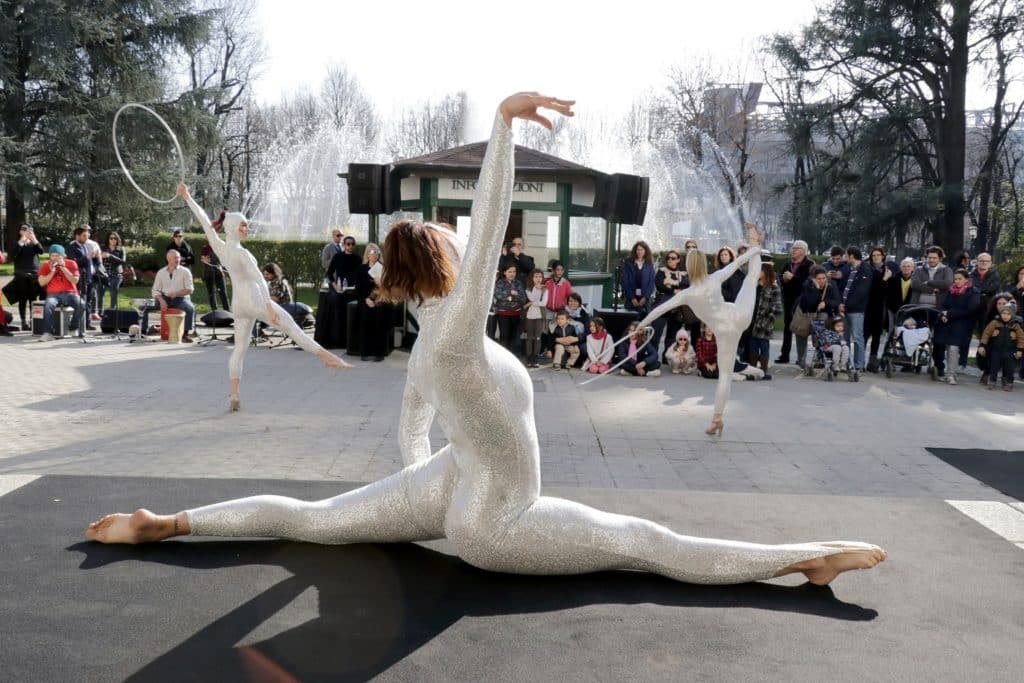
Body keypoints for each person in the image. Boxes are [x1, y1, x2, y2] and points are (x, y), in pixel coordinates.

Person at [86, 93, 884, 590]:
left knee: (315, 517)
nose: (470, 251)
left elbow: (410, 423)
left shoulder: (428, 338)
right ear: (445, 262)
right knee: (645, 541)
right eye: (451, 242)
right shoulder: (459, 329)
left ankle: (170, 522)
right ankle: (798, 556)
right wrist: (501, 126)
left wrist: (405, 498)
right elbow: (495, 215)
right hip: (498, 517)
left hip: (449, 484)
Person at [175, 185, 349, 410]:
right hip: (255, 300)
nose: (247, 228)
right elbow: (259, 278)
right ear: (234, 228)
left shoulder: (221, 247)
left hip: (239, 304)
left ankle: (235, 394)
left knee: (239, 349)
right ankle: (327, 357)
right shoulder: (242, 253)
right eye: (244, 225)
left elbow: (204, 222)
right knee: (292, 328)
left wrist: (188, 196)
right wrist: (267, 307)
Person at [637, 223, 765, 436]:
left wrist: (641, 325)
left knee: (725, 376)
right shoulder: (714, 279)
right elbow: (742, 262)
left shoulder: (686, 294)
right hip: (738, 317)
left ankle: (717, 419)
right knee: (751, 279)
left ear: (688, 266)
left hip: (725, 332)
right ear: (704, 264)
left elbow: (659, 309)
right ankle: (717, 419)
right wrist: (755, 246)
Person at [933, 269, 980, 385]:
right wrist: (943, 314)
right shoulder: (952, 291)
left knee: (953, 349)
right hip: (947, 323)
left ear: (967, 279)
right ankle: (943, 371)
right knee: (943, 347)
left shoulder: (972, 292)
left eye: (960, 279)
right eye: (955, 279)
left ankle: (951, 375)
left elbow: (969, 310)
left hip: (961, 324)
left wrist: (949, 314)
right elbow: (945, 305)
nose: (957, 281)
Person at [141, 250, 197, 342]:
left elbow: (190, 289)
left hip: (180, 298)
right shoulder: (161, 272)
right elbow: (155, 290)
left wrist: (177, 293)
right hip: (164, 298)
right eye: (175, 258)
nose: (178, 259)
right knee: (143, 308)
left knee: (190, 308)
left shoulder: (185, 271)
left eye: (178, 257)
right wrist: (161, 300)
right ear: (168, 259)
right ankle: (143, 331)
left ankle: (185, 334)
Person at [36, 244, 86, 341]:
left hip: (70, 293)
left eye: (58, 255)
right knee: (48, 305)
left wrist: (63, 268)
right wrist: (52, 272)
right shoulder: (46, 265)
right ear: (50, 256)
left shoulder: (71, 263)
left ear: (63, 256)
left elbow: (75, 281)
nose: (55, 258)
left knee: (81, 304)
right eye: (53, 255)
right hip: (53, 294)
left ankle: (73, 327)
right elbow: (41, 283)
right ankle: (48, 333)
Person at [797, 265, 841, 371]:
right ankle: (801, 360)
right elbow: (808, 302)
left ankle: (820, 353)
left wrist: (825, 303)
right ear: (813, 279)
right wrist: (816, 289)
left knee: (822, 322)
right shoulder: (807, 285)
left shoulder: (831, 285)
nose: (821, 281)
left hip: (824, 313)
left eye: (823, 278)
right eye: (819, 279)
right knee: (801, 334)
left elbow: (836, 301)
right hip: (807, 312)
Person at [777, 239, 814, 364]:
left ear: (803, 251)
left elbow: (808, 284)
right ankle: (784, 355)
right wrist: (784, 280)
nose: (792, 251)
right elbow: (780, 280)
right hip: (788, 300)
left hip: (801, 302)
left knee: (801, 329)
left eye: (795, 248)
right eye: (793, 248)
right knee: (787, 328)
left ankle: (801, 358)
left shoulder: (810, 265)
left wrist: (793, 278)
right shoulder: (788, 264)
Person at [1, 224, 43, 329]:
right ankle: (24, 321)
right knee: (22, 299)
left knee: (33, 299)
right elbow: (13, 253)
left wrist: (34, 239)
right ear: (20, 232)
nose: (26, 232)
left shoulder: (34, 243)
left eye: (28, 230)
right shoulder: (17, 243)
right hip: (21, 275)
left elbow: (41, 251)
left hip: (33, 274)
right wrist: (21, 241)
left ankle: (33, 320)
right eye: (23, 229)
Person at [839, 247, 872, 373]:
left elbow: (861, 293)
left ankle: (859, 365)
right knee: (845, 337)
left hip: (856, 310)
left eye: (846, 256)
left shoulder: (865, 270)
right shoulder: (849, 269)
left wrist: (846, 305)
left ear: (852, 256)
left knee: (857, 337)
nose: (844, 258)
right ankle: (846, 362)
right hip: (844, 309)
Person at [356, 243, 391, 362]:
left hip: (380, 299)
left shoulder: (383, 268)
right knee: (365, 320)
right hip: (365, 300)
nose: (375, 255)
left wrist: (380, 283)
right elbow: (358, 289)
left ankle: (379, 353)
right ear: (367, 254)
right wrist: (366, 299)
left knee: (379, 320)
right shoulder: (361, 269)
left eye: (377, 252)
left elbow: (389, 288)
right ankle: (365, 352)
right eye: (372, 252)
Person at [864, 247, 896, 372]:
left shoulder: (888, 270)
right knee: (865, 334)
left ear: (883, 256)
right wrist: (883, 280)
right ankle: (860, 361)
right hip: (868, 305)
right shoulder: (868, 269)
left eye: (878, 255)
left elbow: (887, 291)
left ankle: (872, 362)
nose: (876, 257)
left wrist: (884, 282)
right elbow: (873, 290)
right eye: (874, 255)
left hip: (881, 306)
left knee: (877, 335)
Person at [978, 304, 1024, 390]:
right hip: (996, 350)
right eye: (1003, 313)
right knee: (994, 366)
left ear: (1012, 315)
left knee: (1009, 368)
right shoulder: (995, 322)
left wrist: (1020, 350)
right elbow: (986, 333)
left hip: (1010, 351)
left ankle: (1008, 382)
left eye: (1008, 314)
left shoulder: (1015, 325)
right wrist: (982, 345)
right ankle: (992, 381)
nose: (1005, 316)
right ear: (1000, 313)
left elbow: (1021, 338)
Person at [968, 253, 1002, 369]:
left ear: (990, 263)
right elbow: (970, 288)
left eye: (986, 261)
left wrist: (978, 290)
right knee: (966, 334)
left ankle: (982, 364)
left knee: (984, 336)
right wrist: (982, 291)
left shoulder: (995, 275)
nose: (984, 263)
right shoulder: (971, 275)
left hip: (987, 310)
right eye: (981, 261)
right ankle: (962, 361)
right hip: (972, 308)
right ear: (977, 262)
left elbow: (993, 288)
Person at [749, 262, 782, 380]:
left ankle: (763, 371)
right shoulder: (754, 285)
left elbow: (778, 308)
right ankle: (752, 371)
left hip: (765, 324)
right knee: (752, 347)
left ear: (765, 272)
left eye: (760, 270)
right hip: (752, 322)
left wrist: (766, 317)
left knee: (763, 347)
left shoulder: (774, 287)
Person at [695, 324, 763, 381]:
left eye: (711, 327)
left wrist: (714, 364)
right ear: (704, 329)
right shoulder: (700, 340)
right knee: (709, 374)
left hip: (716, 364)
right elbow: (699, 354)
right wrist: (707, 365)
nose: (710, 329)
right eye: (708, 327)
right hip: (704, 364)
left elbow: (718, 354)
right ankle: (701, 372)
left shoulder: (717, 341)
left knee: (718, 374)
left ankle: (748, 375)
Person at [654, 249, 688, 362]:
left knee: (672, 335)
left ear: (678, 260)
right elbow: (659, 286)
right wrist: (674, 290)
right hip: (662, 306)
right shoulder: (661, 271)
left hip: (677, 308)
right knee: (656, 333)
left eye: (673, 258)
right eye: (668, 258)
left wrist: (671, 285)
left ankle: (666, 357)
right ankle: (653, 357)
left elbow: (687, 285)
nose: (670, 260)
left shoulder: (683, 273)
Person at [66, 226, 97, 331]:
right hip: (80, 278)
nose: (86, 237)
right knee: (81, 301)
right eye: (84, 235)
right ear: (77, 236)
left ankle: (87, 323)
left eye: (88, 235)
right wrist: (86, 257)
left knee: (89, 300)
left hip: (89, 277)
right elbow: (73, 262)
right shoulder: (72, 247)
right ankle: (79, 324)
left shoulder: (87, 246)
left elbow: (92, 261)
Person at [493, 263, 526, 355]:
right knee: (504, 336)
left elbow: (523, 297)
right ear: (504, 272)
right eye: (509, 272)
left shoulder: (518, 283)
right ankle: (504, 357)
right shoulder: (500, 282)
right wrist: (510, 292)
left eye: (514, 271)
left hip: (516, 314)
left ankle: (513, 357)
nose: (512, 274)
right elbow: (497, 294)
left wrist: (510, 297)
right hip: (503, 314)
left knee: (514, 337)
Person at [523, 269, 548, 368]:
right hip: (530, 316)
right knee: (529, 338)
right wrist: (536, 289)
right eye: (536, 277)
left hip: (540, 316)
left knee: (538, 338)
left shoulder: (546, 290)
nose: (538, 279)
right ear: (532, 278)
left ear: (542, 278)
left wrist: (532, 303)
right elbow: (533, 298)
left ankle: (535, 358)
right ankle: (529, 358)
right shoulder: (528, 289)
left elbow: (544, 303)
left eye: (540, 277)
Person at [621, 241, 655, 315]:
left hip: (645, 299)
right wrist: (632, 298)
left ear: (645, 251)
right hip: (631, 298)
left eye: (642, 249)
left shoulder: (649, 264)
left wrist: (645, 297)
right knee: (629, 321)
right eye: (638, 249)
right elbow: (625, 281)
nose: (639, 252)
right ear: (635, 251)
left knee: (645, 322)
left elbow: (651, 282)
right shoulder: (628, 263)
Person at [97, 232, 126, 315]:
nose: (113, 240)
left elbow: (123, 261)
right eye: (111, 238)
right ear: (108, 239)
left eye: (115, 238)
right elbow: (97, 258)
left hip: (116, 274)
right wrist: (100, 256)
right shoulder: (102, 248)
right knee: (100, 293)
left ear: (118, 240)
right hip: (103, 273)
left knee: (113, 293)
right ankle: (99, 313)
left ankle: (112, 313)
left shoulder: (121, 249)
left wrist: (110, 256)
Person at [200, 243, 230, 312]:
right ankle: (214, 311)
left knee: (223, 292)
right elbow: (204, 259)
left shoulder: (220, 246)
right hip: (208, 273)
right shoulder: (205, 247)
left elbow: (223, 260)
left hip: (219, 273)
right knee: (211, 293)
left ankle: (227, 311)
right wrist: (209, 260)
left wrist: (212, 260)